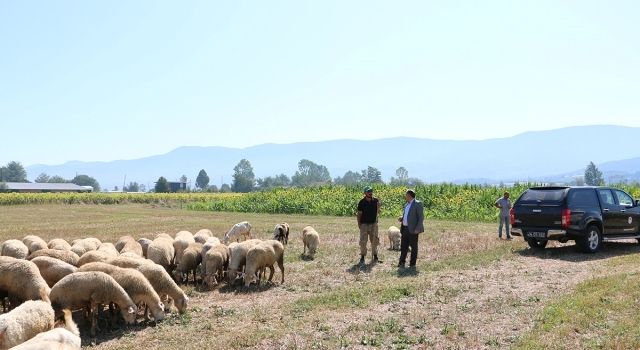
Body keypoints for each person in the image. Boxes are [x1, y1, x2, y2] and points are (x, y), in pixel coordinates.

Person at [398, 189, 424, 269]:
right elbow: (408, 215)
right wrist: (402, 218)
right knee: (404, 246)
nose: (405, 196)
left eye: (406, 195)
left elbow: (421, 217)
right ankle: (402, 262)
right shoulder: (407, 204)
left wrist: (418, 228)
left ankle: (412, 264)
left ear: (409, 195)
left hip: (413, 229)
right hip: (405, 228)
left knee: (413, 247)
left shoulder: (418, 204)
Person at [357, 186, 381, 264]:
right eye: (368, 191)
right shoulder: (361, 202)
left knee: (374, 240)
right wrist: (359, 224)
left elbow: (379, 212)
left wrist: (379, 207)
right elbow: (359, 214)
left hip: (374, 224)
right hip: (364, 224)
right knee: (363, 241)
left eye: (371, 191)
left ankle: (375, 256)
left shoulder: (376, 201)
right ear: (365, 193)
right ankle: (363, 256)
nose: (370, 193)